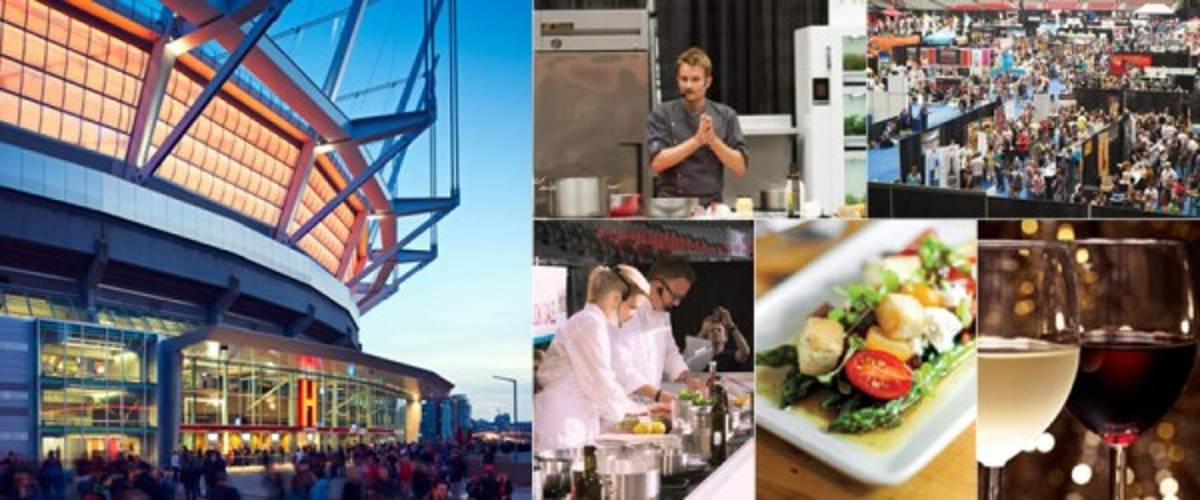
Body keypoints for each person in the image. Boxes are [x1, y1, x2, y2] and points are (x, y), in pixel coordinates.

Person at [534, 265, 667, 451]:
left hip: (573, 424)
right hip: (562, 428)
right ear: (615, 298)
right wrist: (638, 412)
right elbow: (601, 383)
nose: (633, 315)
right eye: (633, 307)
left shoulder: (592, 322)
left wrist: (638, 411)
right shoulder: (590, 323)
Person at [645, 47, 748, 204]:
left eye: (695, 79)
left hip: (712, 206)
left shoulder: (726, 115)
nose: (688, 85)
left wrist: (713, 141)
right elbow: (656, 164)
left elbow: (740, 167)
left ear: (708, 82)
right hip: (672, 206)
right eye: (684, 79)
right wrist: (697, 141)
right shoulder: (661, 114)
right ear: (677, 80)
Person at [612, 258, 705, 406]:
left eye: (680, 298)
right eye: (675, 296)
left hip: (650, 404)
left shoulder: (663, 316)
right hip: (622, 403)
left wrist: (687, 378)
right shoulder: (626, 311)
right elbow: (621, 367)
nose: (676, 303)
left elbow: (670, 353)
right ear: (656, 285)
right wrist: (658, 395)